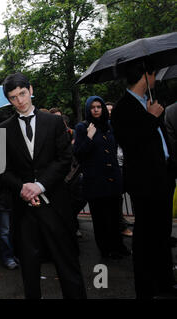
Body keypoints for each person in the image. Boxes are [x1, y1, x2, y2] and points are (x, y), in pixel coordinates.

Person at [0, 72, 86, 299]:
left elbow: (65, 159)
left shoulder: (54, 122)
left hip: (56, 205)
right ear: (9, 100)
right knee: (29, 268)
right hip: (24, 211)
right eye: (14, 97)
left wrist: (40, 185)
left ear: (31, 90)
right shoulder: (2, 130)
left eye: (23, 94)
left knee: (67, 263)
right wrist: (23, 188)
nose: (20, 101)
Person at [110, 58, 177, 299]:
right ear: (145, 75)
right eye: (153, 74)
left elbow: (157, 140)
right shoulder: (123, 108)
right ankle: (146, 288)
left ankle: (165, 283)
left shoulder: (148, 102)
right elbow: (131, 144)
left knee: (161, 234)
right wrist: (150, 118)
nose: (155, 79)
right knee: (145, 238)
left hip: (163, 176)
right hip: (144, 182)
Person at [74, 96, 129, 259]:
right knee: (100, 219)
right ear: (88, 110)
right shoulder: (82, 127)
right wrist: (89, 137)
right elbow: (79, 153)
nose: (96, 110)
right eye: (93, 107)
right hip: (95, 182)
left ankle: (118, 246)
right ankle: (106, 249)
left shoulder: (110, 126)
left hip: (113, 180)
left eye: (99, 106)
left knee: (115, 217)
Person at [106, 101, 133, 238]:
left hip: (127, 165)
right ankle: (121, 225)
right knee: (116, 198)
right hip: (115, 167)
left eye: (112, 110)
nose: (109, 113)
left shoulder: (121, 126)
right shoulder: (105, 128)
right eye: (107, 110)